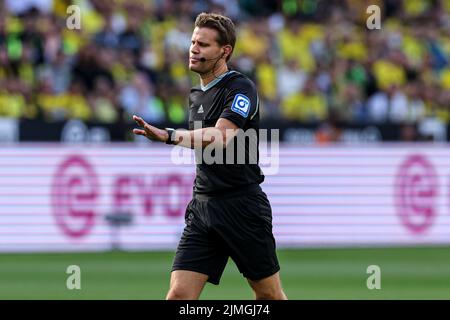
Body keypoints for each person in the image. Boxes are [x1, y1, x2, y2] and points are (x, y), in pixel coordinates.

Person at [132, 12, 287, 300]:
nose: (193, 48)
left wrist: (169, 135)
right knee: (179, 295)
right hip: (204, 207)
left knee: (269, 297)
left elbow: (221, 136)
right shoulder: (197, 94)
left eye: (203, 44)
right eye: (193, 42)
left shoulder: (240, 88)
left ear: (224, 51)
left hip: (242, 206)